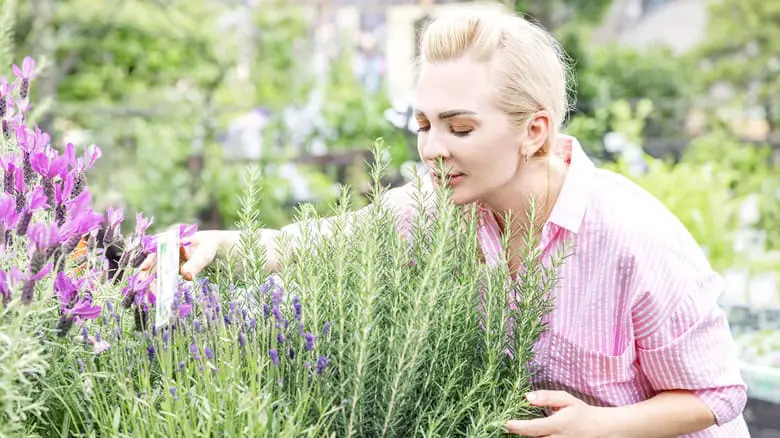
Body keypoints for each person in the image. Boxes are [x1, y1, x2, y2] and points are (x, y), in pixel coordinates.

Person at [142, 8, 749, 437]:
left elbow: (715, 395)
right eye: (423, 125)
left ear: (534, 130)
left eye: (459, 128)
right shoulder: (435, 213)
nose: (432, 149)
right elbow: (308, 244)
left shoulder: (632, 237)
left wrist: (599, 426)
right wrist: (214, 245)